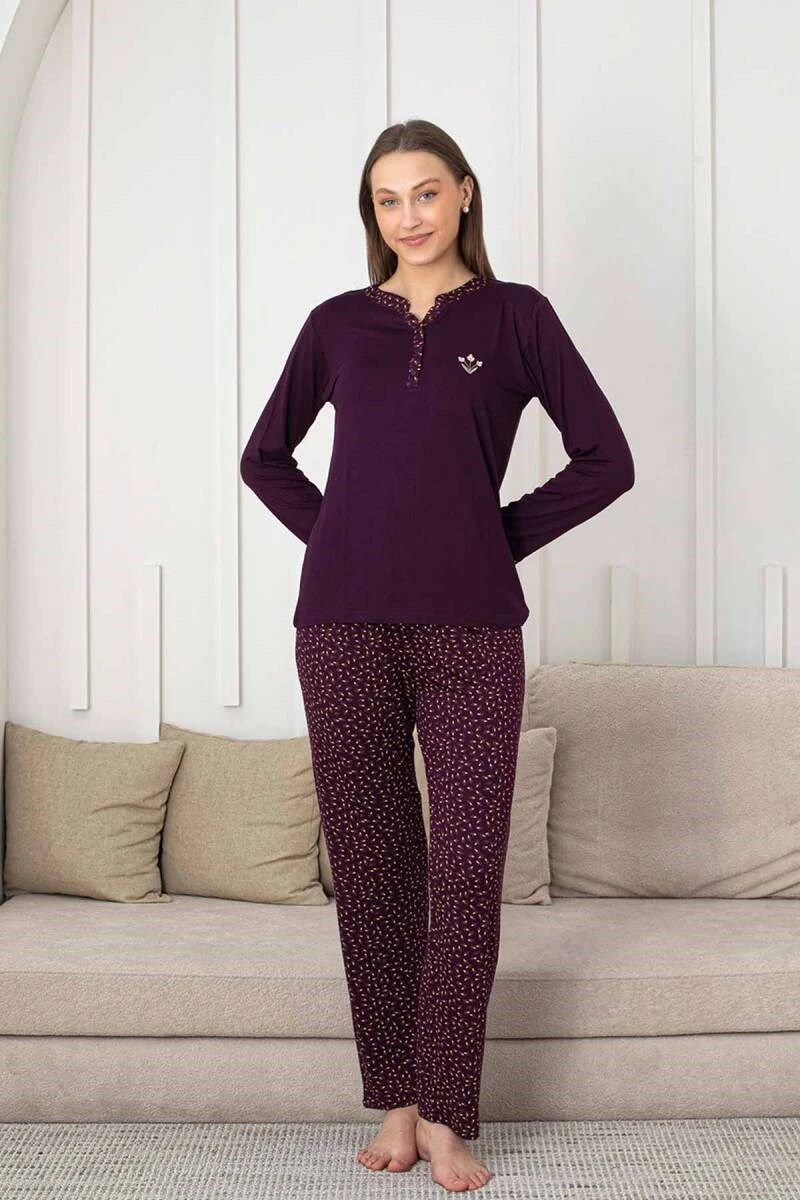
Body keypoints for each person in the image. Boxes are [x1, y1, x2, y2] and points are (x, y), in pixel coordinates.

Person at [240, 118, 635, 1193]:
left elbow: (606, 459)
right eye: (386, 199)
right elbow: (264, 457)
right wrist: (342, 537)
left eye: (424, 192)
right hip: (341, 628)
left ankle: (451, 1110)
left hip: (473, 629)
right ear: (370, 214)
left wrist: (491, 537)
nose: (407, 216)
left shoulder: (516, 317)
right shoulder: (336, 325)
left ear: (463, 193)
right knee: (374, 870)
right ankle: (400, 1103)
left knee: (463, 872)